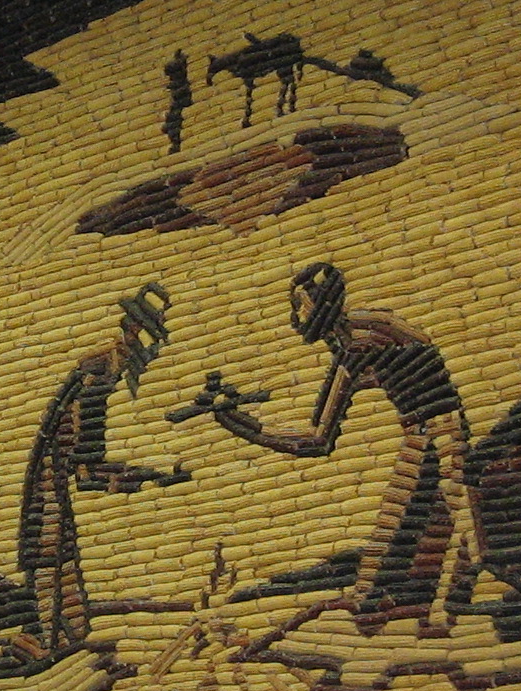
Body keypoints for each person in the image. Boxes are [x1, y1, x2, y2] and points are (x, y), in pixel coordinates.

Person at [173, 261, 485, 643]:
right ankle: (387, 603)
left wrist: (237, 422)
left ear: (320, 304)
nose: (295, 318)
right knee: (404, 525)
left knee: (445, 517)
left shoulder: (357, 345)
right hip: (426, 435)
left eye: (299, 306)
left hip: (438, 435)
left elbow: (317, 439)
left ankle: (443, 608)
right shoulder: (366, 331)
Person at [6, 284, 191, 665]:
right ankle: (50, 642)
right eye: (149, 338)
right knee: (50, 553)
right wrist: (144, 478)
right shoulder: (96, 379)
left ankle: (64, 639)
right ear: (133, 333)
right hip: (50, 488)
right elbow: (86, 466)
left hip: (54, 485)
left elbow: (86, 460)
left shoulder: (98, 374)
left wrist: (140, 476)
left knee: (61, 556)